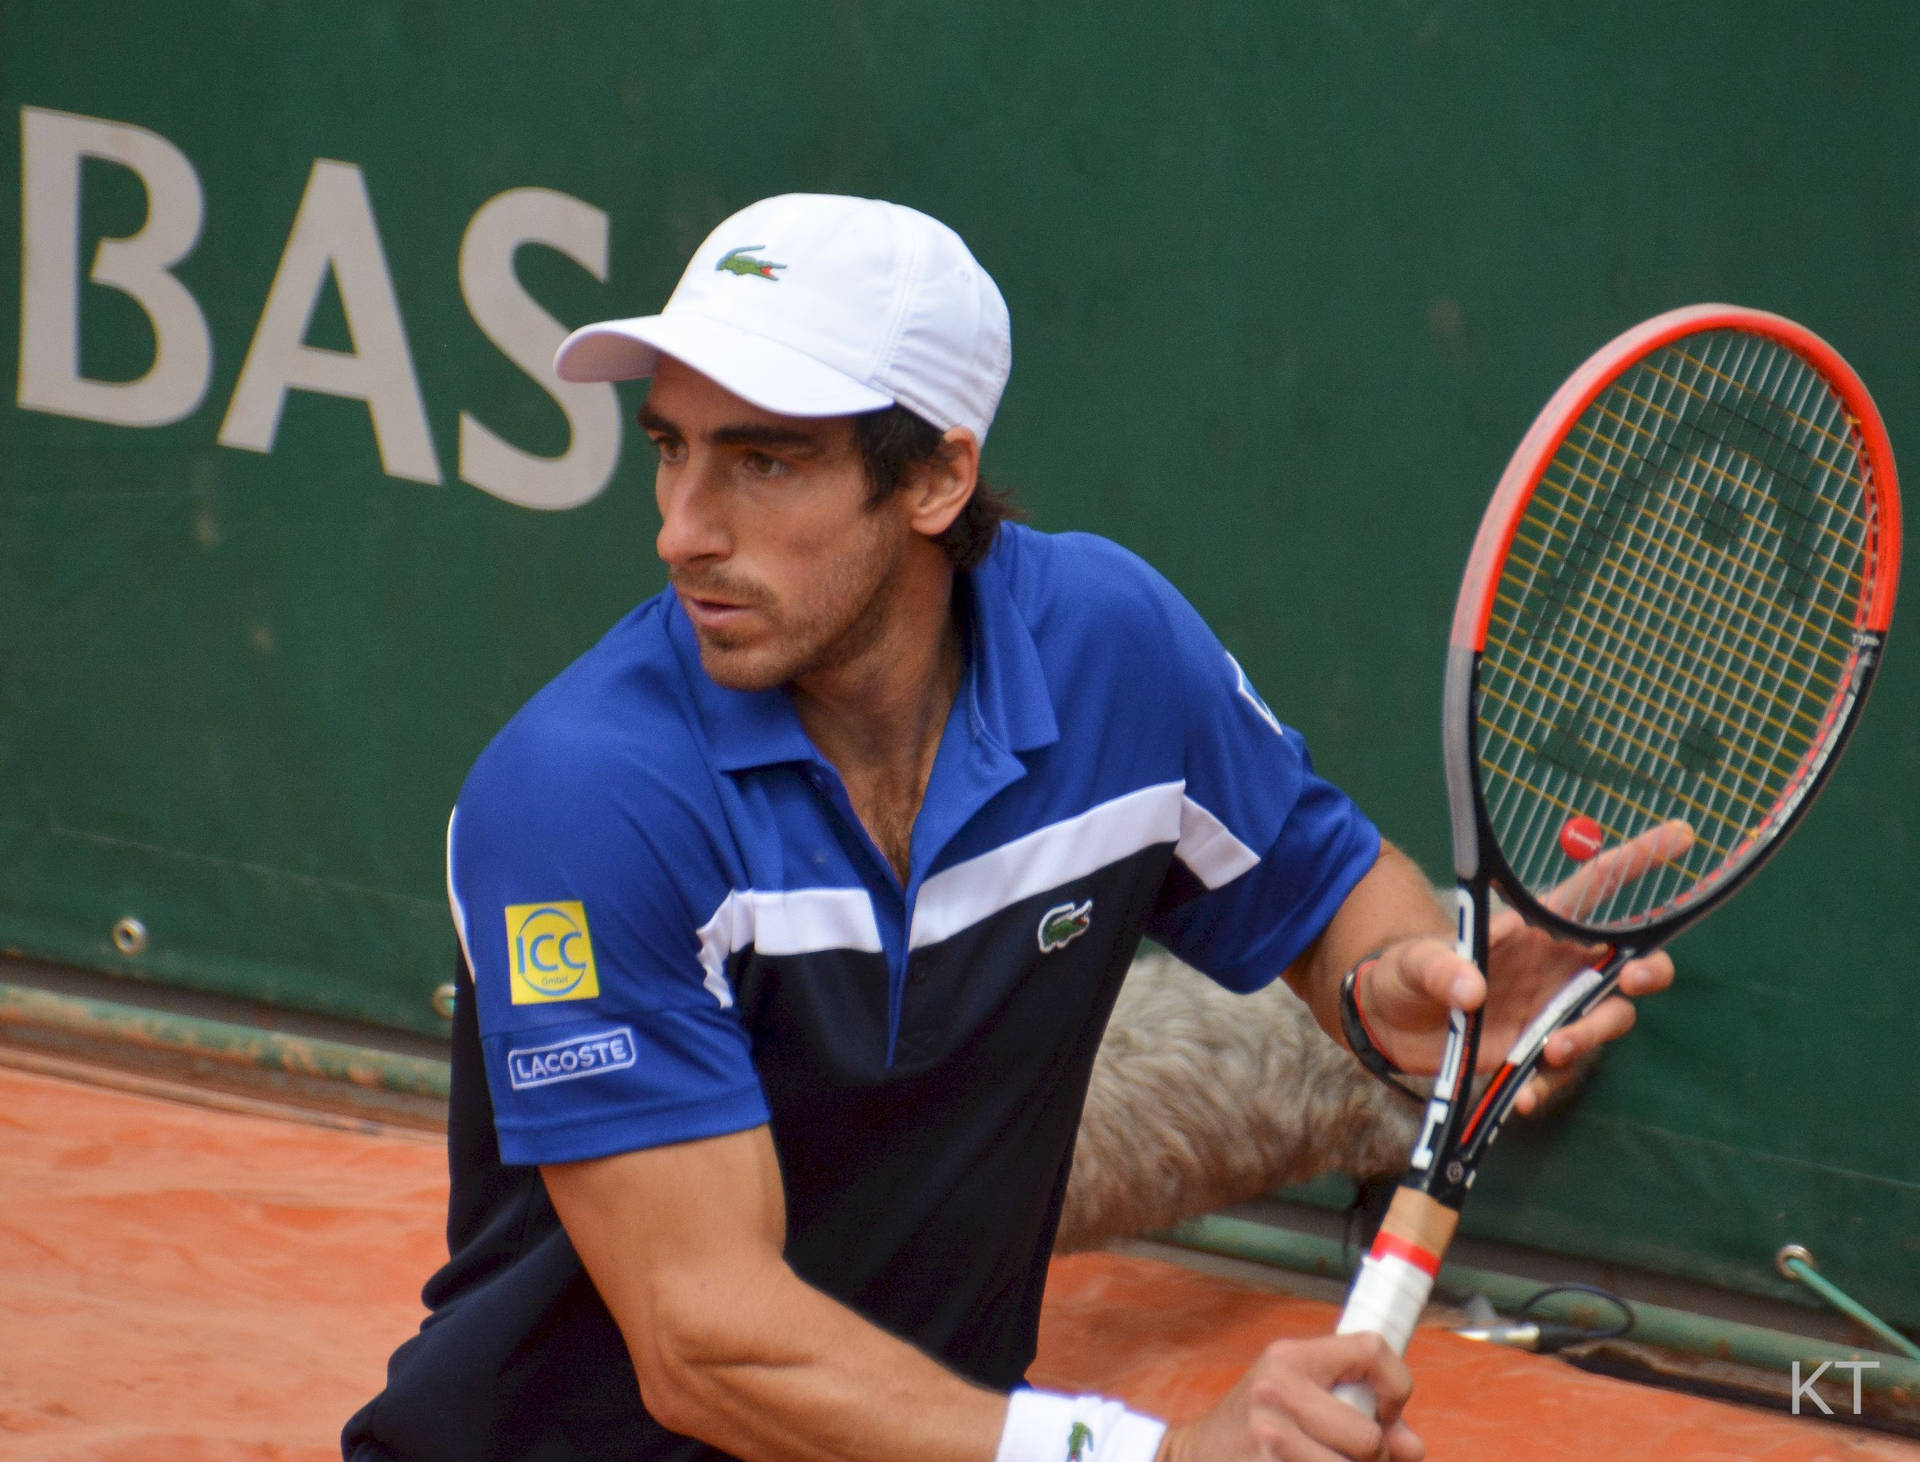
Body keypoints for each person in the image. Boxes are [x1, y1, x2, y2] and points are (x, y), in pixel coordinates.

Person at [343, 194, 1673, 1462]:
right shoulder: (586, 795)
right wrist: (1142, 1450)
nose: (682, 530)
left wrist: (1404, 997)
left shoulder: (1111, 648)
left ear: (933, 479)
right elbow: (706, 1343)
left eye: (762, 461)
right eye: (671, 449)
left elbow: (1330, 894)